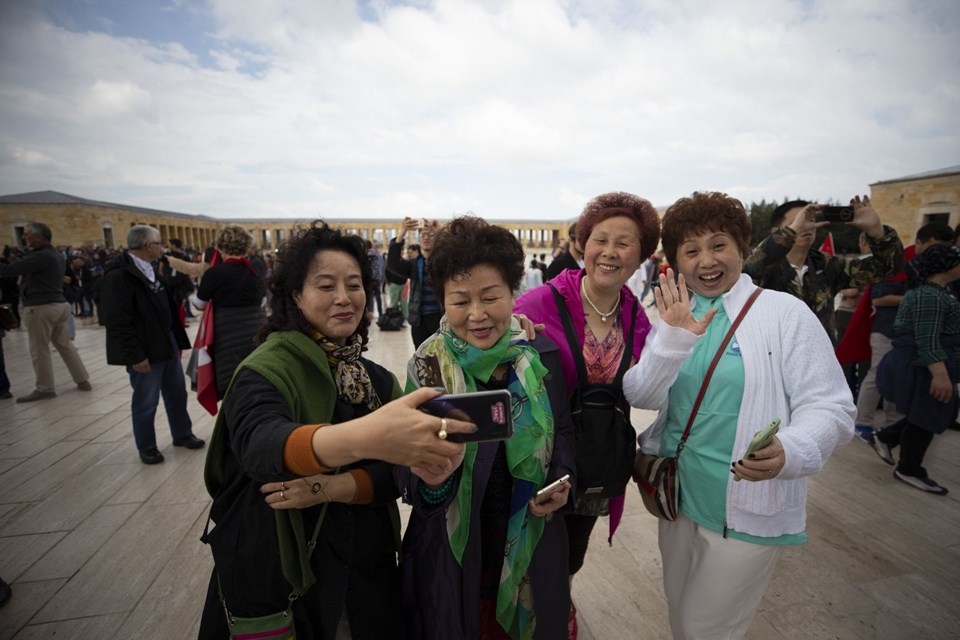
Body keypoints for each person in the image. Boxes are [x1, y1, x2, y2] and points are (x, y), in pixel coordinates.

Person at [198, 221, 472, 640]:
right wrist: (366, 438)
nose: (344, 298)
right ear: (295, 295)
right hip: (286, 577)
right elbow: (260, 445)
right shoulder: (266, 370)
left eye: (355, 284)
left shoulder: (374, 379)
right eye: (326, 286)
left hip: (365, 574)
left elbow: (391, 477)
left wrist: (334, 487)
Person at [623, 191, 854, 639]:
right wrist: (671, 340)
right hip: (677, 495)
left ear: (742, 248)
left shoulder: (785, 314)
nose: (706, 260)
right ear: (676, 261)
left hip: (747, 504)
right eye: (691, 250)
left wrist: (793, 449)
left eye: (718, 245)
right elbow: (641, 394)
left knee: (704, 628)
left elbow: (832, 406)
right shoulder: (676, 314)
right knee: (680, 613)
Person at [399, 216, 574, 640]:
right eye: (460, 301)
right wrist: (435, 482)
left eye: (490, 297)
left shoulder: (540, 353)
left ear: (514, 294)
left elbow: (564, 431)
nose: (477, 315)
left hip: (528, 538)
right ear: (442, 300)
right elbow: (403, 462)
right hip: (453, 548)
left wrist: (559, 482)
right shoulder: (427, 367)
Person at [513, 191, 658, 635]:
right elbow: (482, 343)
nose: (609, 253)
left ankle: (561, 601)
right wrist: (511, 336)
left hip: (595, 458)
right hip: (539, 456)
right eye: (600, 239)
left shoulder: (639, 318)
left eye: (624, 243)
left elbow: (652, 386)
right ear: (583, 244)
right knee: (527, 546)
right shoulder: (539, 302)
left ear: (641, 256)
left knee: (573, 546)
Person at [99, 225, 204, 464]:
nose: (162, 248)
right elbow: (116, 320)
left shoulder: (151, 269)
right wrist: (135, 355)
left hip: (164, 342)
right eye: (159, 243)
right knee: (146, 399)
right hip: (144, 347)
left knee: (176, 392)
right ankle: (147, 445)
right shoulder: (118, 276)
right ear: (148, 246)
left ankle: (182, 433)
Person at [847, 222, 956, 443]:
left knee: (900, 383)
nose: (939, 252)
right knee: (878, 377)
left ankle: (891, 427)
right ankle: (862, 422)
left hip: (910, 337)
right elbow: (879, 297)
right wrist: (921, 300)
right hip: (888, 330)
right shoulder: (899, 264)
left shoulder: (936, 273)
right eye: (935, 246)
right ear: (919, 243)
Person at [743, 197, 904, 344]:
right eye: (798, 221)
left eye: (810, 220)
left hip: (819, 360)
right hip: (772, 358)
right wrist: (792, 232)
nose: (807, 226)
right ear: (776, 232)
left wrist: (877, 232)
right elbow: (749, 269)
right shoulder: (766, 265)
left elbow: (886, 268)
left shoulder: (827, 265)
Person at [873, 243, 960, 495]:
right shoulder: (929, 296)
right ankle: (909, 468)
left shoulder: (940, 292)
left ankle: (888, 438)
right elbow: (927, 338)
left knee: (927, 414)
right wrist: (940, 375)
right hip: (927, 366)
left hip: (931, 365)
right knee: (927, 416)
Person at [0, 222, 92, 402]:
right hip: (58, 304)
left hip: (41, 307)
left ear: (39, 237)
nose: (24, 237)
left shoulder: (40, 256)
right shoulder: (55, 254)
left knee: (39, 349)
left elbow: (10, 270)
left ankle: (45, 388)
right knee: (65, 345)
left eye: (27, 234)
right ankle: (82, 379)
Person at [190, 225, 266, 401]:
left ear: (221, 248)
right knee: (254, 378)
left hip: (226, 334)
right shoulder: (254, 273)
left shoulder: (214, 273)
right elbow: (262, 301)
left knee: (231, 383)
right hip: (255, 332)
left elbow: (199, 304)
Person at [387, 218, 444, 347]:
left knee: (443, 359)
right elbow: (393, 264)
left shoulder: (444, 262)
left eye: (431, 235)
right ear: (419, 239)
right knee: (421, 360)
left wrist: (441, 231)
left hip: (440, 317)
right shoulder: (414, 264)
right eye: (423, 235)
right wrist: (402, 232)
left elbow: (459, 255)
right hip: (419, 319)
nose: (426, 238)